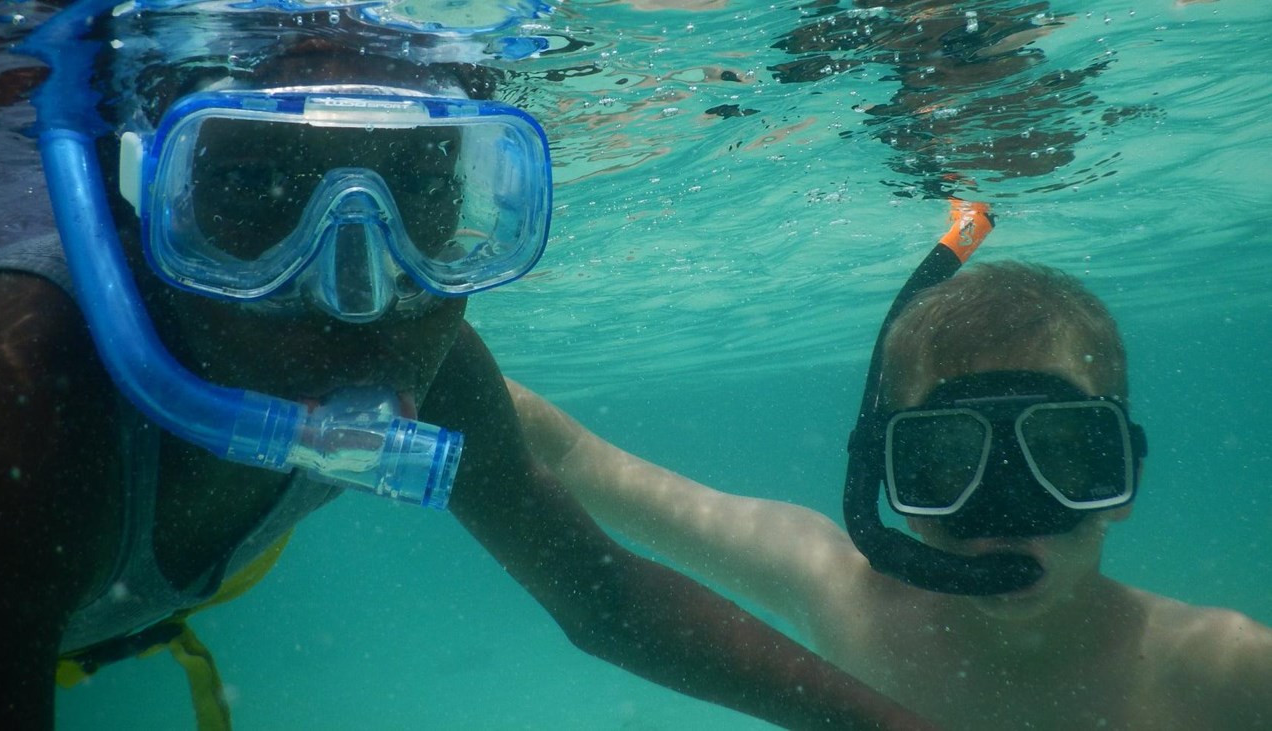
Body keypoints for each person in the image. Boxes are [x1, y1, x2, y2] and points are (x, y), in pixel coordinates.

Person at [0, 1, 934, 729]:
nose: (359, 292)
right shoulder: (18, 405)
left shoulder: (431, 365)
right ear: (144, 202)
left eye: (426, 190)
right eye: (250, 185)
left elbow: (600, 594)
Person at [509, 201, 1272, 730]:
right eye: (946, 463)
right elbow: (575, 454)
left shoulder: (1228, 670)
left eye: (1065, 457)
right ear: (886, 480)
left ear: (1123, 480)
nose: (1004, 509)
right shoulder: (847, 593)